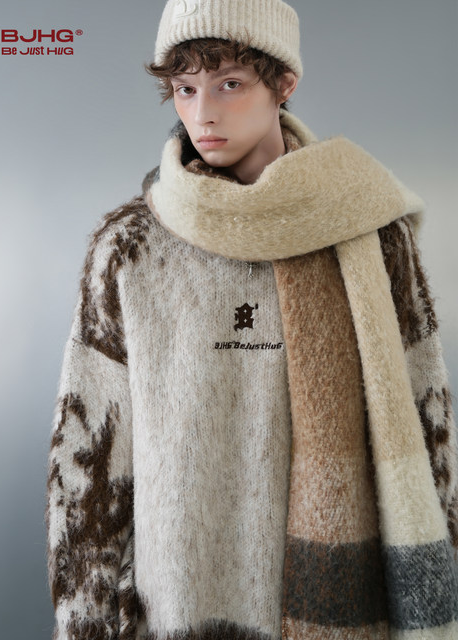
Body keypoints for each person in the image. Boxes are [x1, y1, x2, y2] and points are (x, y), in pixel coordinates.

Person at [46, 1, 458, 639]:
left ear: (284, 84)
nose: (202, 113)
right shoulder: (129, 247)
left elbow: (429, 429)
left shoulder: (373, 233)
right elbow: (86, 466)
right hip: (180, 600)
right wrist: (90, 623)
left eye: (230, 83)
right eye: (185, 88)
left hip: (344, 599)